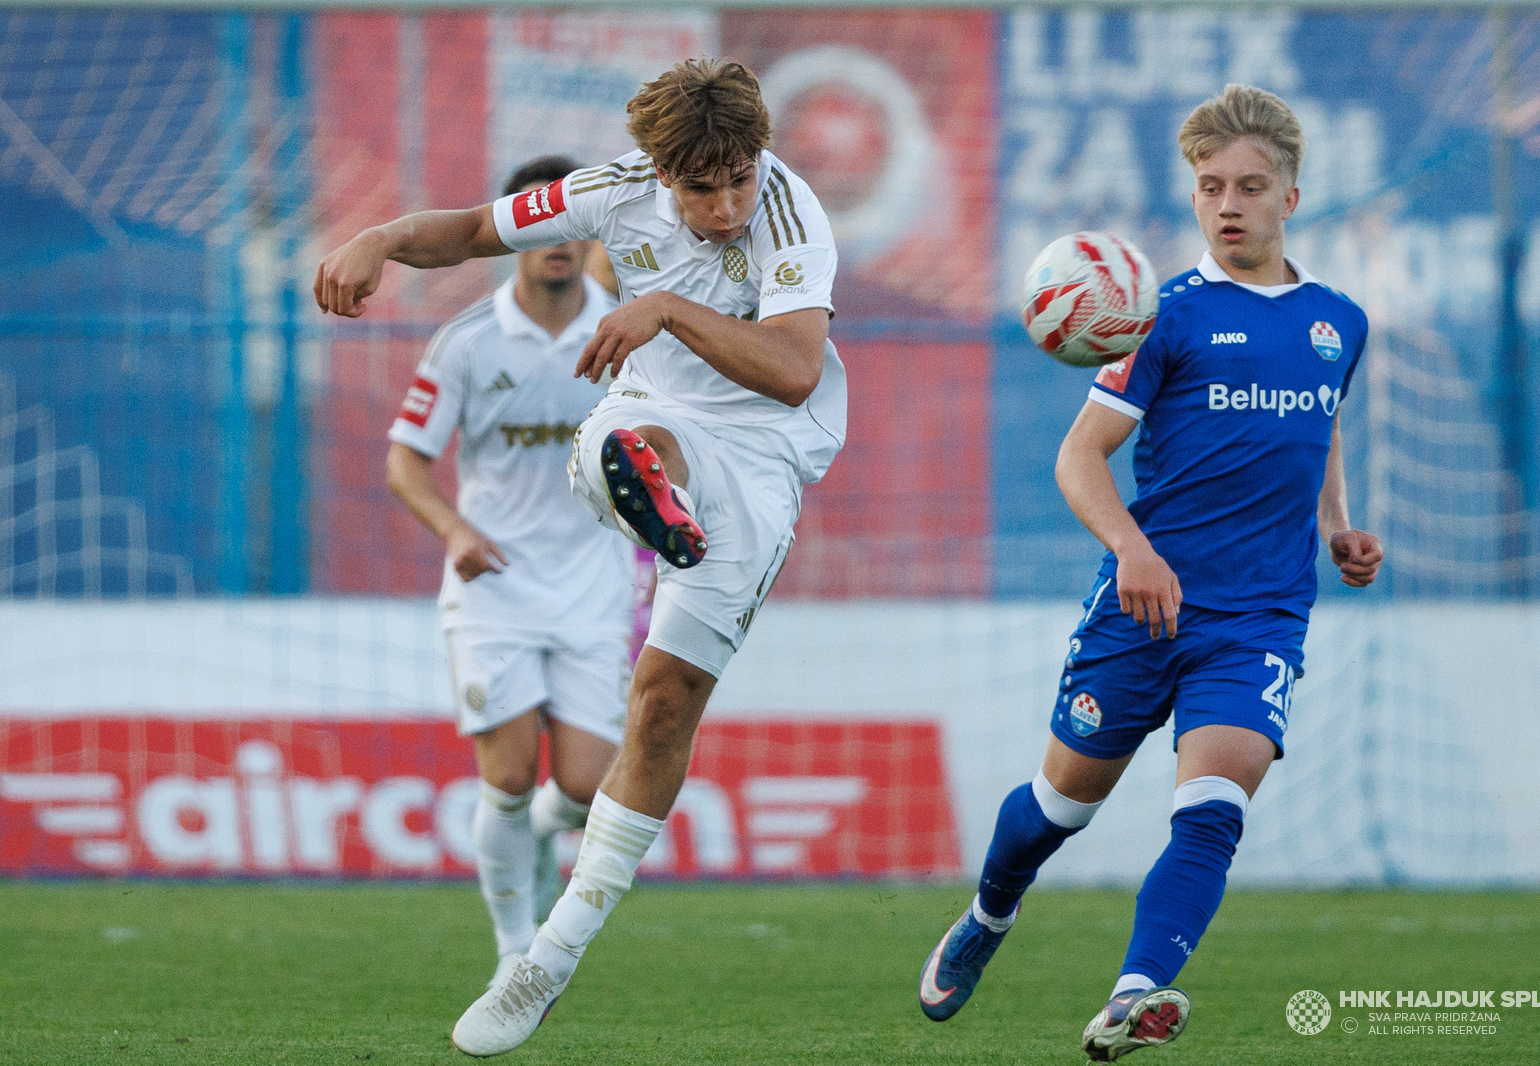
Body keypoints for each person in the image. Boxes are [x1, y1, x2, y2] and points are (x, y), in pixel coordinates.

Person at [315, 59, 844, 1057]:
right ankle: (649, 491)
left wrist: (668, 310)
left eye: (736, 176)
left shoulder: (788, 210)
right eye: (700, 187)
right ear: (657, 171)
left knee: (661, 706)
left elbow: (794, 371)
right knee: (617, 444)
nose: (725, 205)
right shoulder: (610, 191)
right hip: (661, 412)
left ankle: (550, 958)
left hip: (768, 451)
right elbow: (474, 230)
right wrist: (380, 236)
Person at [917, 84, 1384, 1061]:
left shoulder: (1338, 321)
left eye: (1249, 187)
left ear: (1289, 197)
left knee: (1213, 806)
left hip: (1256, 618)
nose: (1227, 204)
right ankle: (990, 910)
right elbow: (1078, 458)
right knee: (1059, 807)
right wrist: (1132, 548)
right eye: (1210, 186)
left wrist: (1336, 525)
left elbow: (1319, 424)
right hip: (1141, 608)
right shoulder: (1159, 316)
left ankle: (1134, 993)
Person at [384, 156, 633, 992]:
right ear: (515, 234)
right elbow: (405, 461)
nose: (556, 243)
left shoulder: (627, 332)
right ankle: (512, 953)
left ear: (585, 235)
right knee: (509, 776)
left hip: (596, 583)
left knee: (587, 788)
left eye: (571, 226)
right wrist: (453, 529)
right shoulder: (467, 342)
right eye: (539, 225)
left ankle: (535, 847)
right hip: (493, 587)